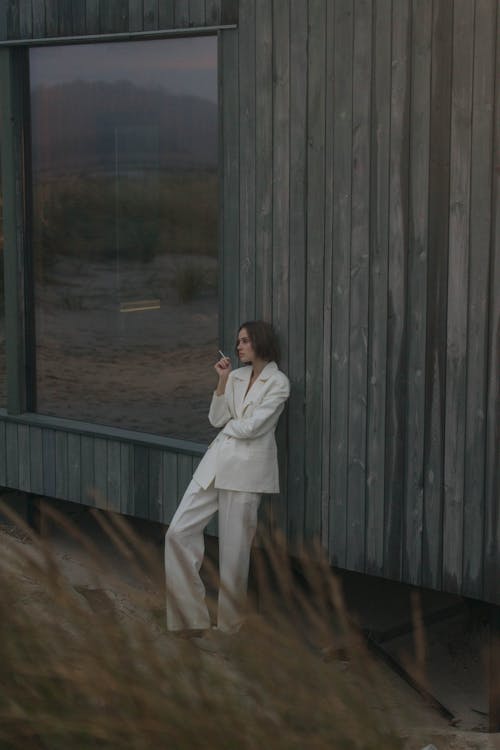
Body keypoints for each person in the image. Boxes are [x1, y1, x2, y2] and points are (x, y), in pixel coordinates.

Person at [164, 320, 290, 641]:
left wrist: (234, 424)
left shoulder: (279, 383)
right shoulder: (234, 376)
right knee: (177, 532)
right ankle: (189, 617)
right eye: (238, 342)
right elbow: (216, 419)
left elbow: (253, 429)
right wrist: (221, 382)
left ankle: (228, 632)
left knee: (235, 557)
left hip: (247, 474)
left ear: (260, 342)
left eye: (244, 341)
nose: (238, 347)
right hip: (215, 465)